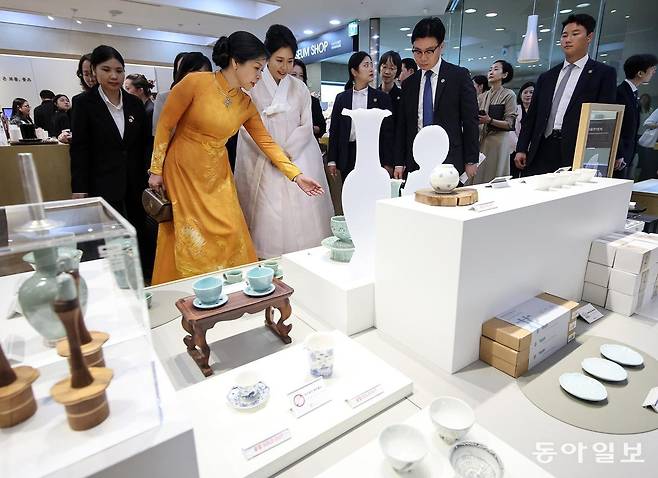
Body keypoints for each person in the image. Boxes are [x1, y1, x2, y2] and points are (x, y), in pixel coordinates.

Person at [147, 31, 325, 284]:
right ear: (235, 62)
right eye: (257, 68)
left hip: (218, 173)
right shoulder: (195, 83)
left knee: (231, 230)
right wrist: (156, 169)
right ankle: (194, 288)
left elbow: (267, 143)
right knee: (192, 234)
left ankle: (231, 287)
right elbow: (165, 124)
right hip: (183, 169)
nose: (259, 76)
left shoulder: (245, 103)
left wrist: (296, 176)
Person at [235, 25, 333, 259]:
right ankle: (267, 257)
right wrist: (273, 154)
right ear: (267, 57)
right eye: (279, 60)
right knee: (268, 212)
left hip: (296, 156)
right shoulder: (253, 86)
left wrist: (287, 153)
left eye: (290, 61)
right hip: (262, 158)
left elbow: (306, 125)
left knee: (302, 210)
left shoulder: (299, 88)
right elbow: (245, 127)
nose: (285, 67)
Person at [69, 45, 151, 272]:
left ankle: (144, 274)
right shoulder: (83, 103)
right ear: (94, 71)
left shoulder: (134, 103)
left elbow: (145, 143)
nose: (114, 76)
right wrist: (79, 187)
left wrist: (149, 173)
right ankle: (115, 274)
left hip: (135, 179)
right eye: (106, 70)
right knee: (108, 232)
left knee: (138, 226)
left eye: (119, 70)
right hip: (102, 179)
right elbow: (79, 148)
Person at [514, 13, 616, 176]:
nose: (568, 40)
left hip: (575, 150)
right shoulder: (547, 76)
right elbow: (532, 116)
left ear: (589, 37)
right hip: (542, 147)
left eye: (575, 34)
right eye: (564, 35)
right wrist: (521, 148)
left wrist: (599, 157)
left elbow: (604, 119)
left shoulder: (603, 74)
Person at [395, 17, 479, 181]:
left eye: (429, 51)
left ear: (441, 47)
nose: (422, 58)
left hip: (449, 159)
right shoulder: (409, 83)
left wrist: (471, 159)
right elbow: (403, 125)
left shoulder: (458, 76)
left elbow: (470, 120)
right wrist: (399, 161)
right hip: (416, 159)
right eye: (417, 51)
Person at [328, 51, 394, 179]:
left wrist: (388, 162)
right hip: (348, 154)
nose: (371, 69)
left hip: (373, 154)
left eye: (371, 65)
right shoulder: (342, 98)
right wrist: (332, 160)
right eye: (366, 65)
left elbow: (388, 133)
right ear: (354, 71)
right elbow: (335, 130)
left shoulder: (382, 98)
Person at [473, 60, 517, 184]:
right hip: (482, 141)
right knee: (478, 176)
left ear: (505, 75)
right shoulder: (482, 97)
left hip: (498, 143)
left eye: (496, 69)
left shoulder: (509, 95)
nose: (491, 72)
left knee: (494, 176)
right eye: (490, 69)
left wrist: (490, 120)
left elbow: (510, 123)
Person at [615, 54, 657, 179]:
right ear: (640, 73)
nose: (654, 72)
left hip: (628, 152)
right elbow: (616, 125)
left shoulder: (632, 93)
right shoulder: (621, 93)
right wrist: (618, 153)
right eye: (652, 69)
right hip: (619, 155)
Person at [152, 52, 212, 135]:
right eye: (193, 73)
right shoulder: (165, 97)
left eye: (202, 74)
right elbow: (159, 132)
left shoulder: (213, 100)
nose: (197, 78)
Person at [291, 59, 326, 139]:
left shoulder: (313, 101)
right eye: (294, 74)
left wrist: (309, 128)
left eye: (301, 75)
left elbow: (322, 128)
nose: (298, 78)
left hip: (309, 142)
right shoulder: (281, 99)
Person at [510, 81, 535, 177]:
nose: (528, 95)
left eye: (531, 92)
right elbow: (510, 131)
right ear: (520, 95)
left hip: (533, 151)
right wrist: (521, 147)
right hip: (515, 150)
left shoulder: (539, 111)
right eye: (525, 92)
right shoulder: (515, 109)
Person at [378, 50, 403, 118]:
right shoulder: (373, 95)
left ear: (398, 71)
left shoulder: (403, 97)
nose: (387, 72)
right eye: (384, 67)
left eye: (392, 68)